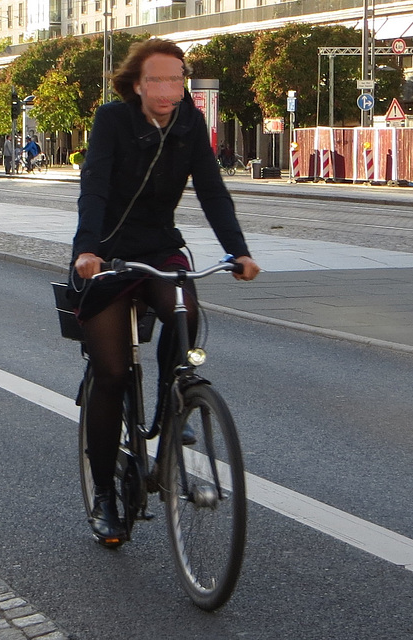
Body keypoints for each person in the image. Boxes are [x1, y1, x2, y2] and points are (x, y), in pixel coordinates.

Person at [68, 38, 260, 543]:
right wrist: (87, 249)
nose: (171, 89)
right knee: (110, 374)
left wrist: (237, 250)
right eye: (159, 79)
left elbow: (212, 190)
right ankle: (105, 496)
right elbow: (95, 187)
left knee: (186, 308)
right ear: (137, 84)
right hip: (107, 253)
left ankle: (171, 407)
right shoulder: (112, 120)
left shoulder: (188, 122)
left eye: (178, 79)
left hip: (159, 248)